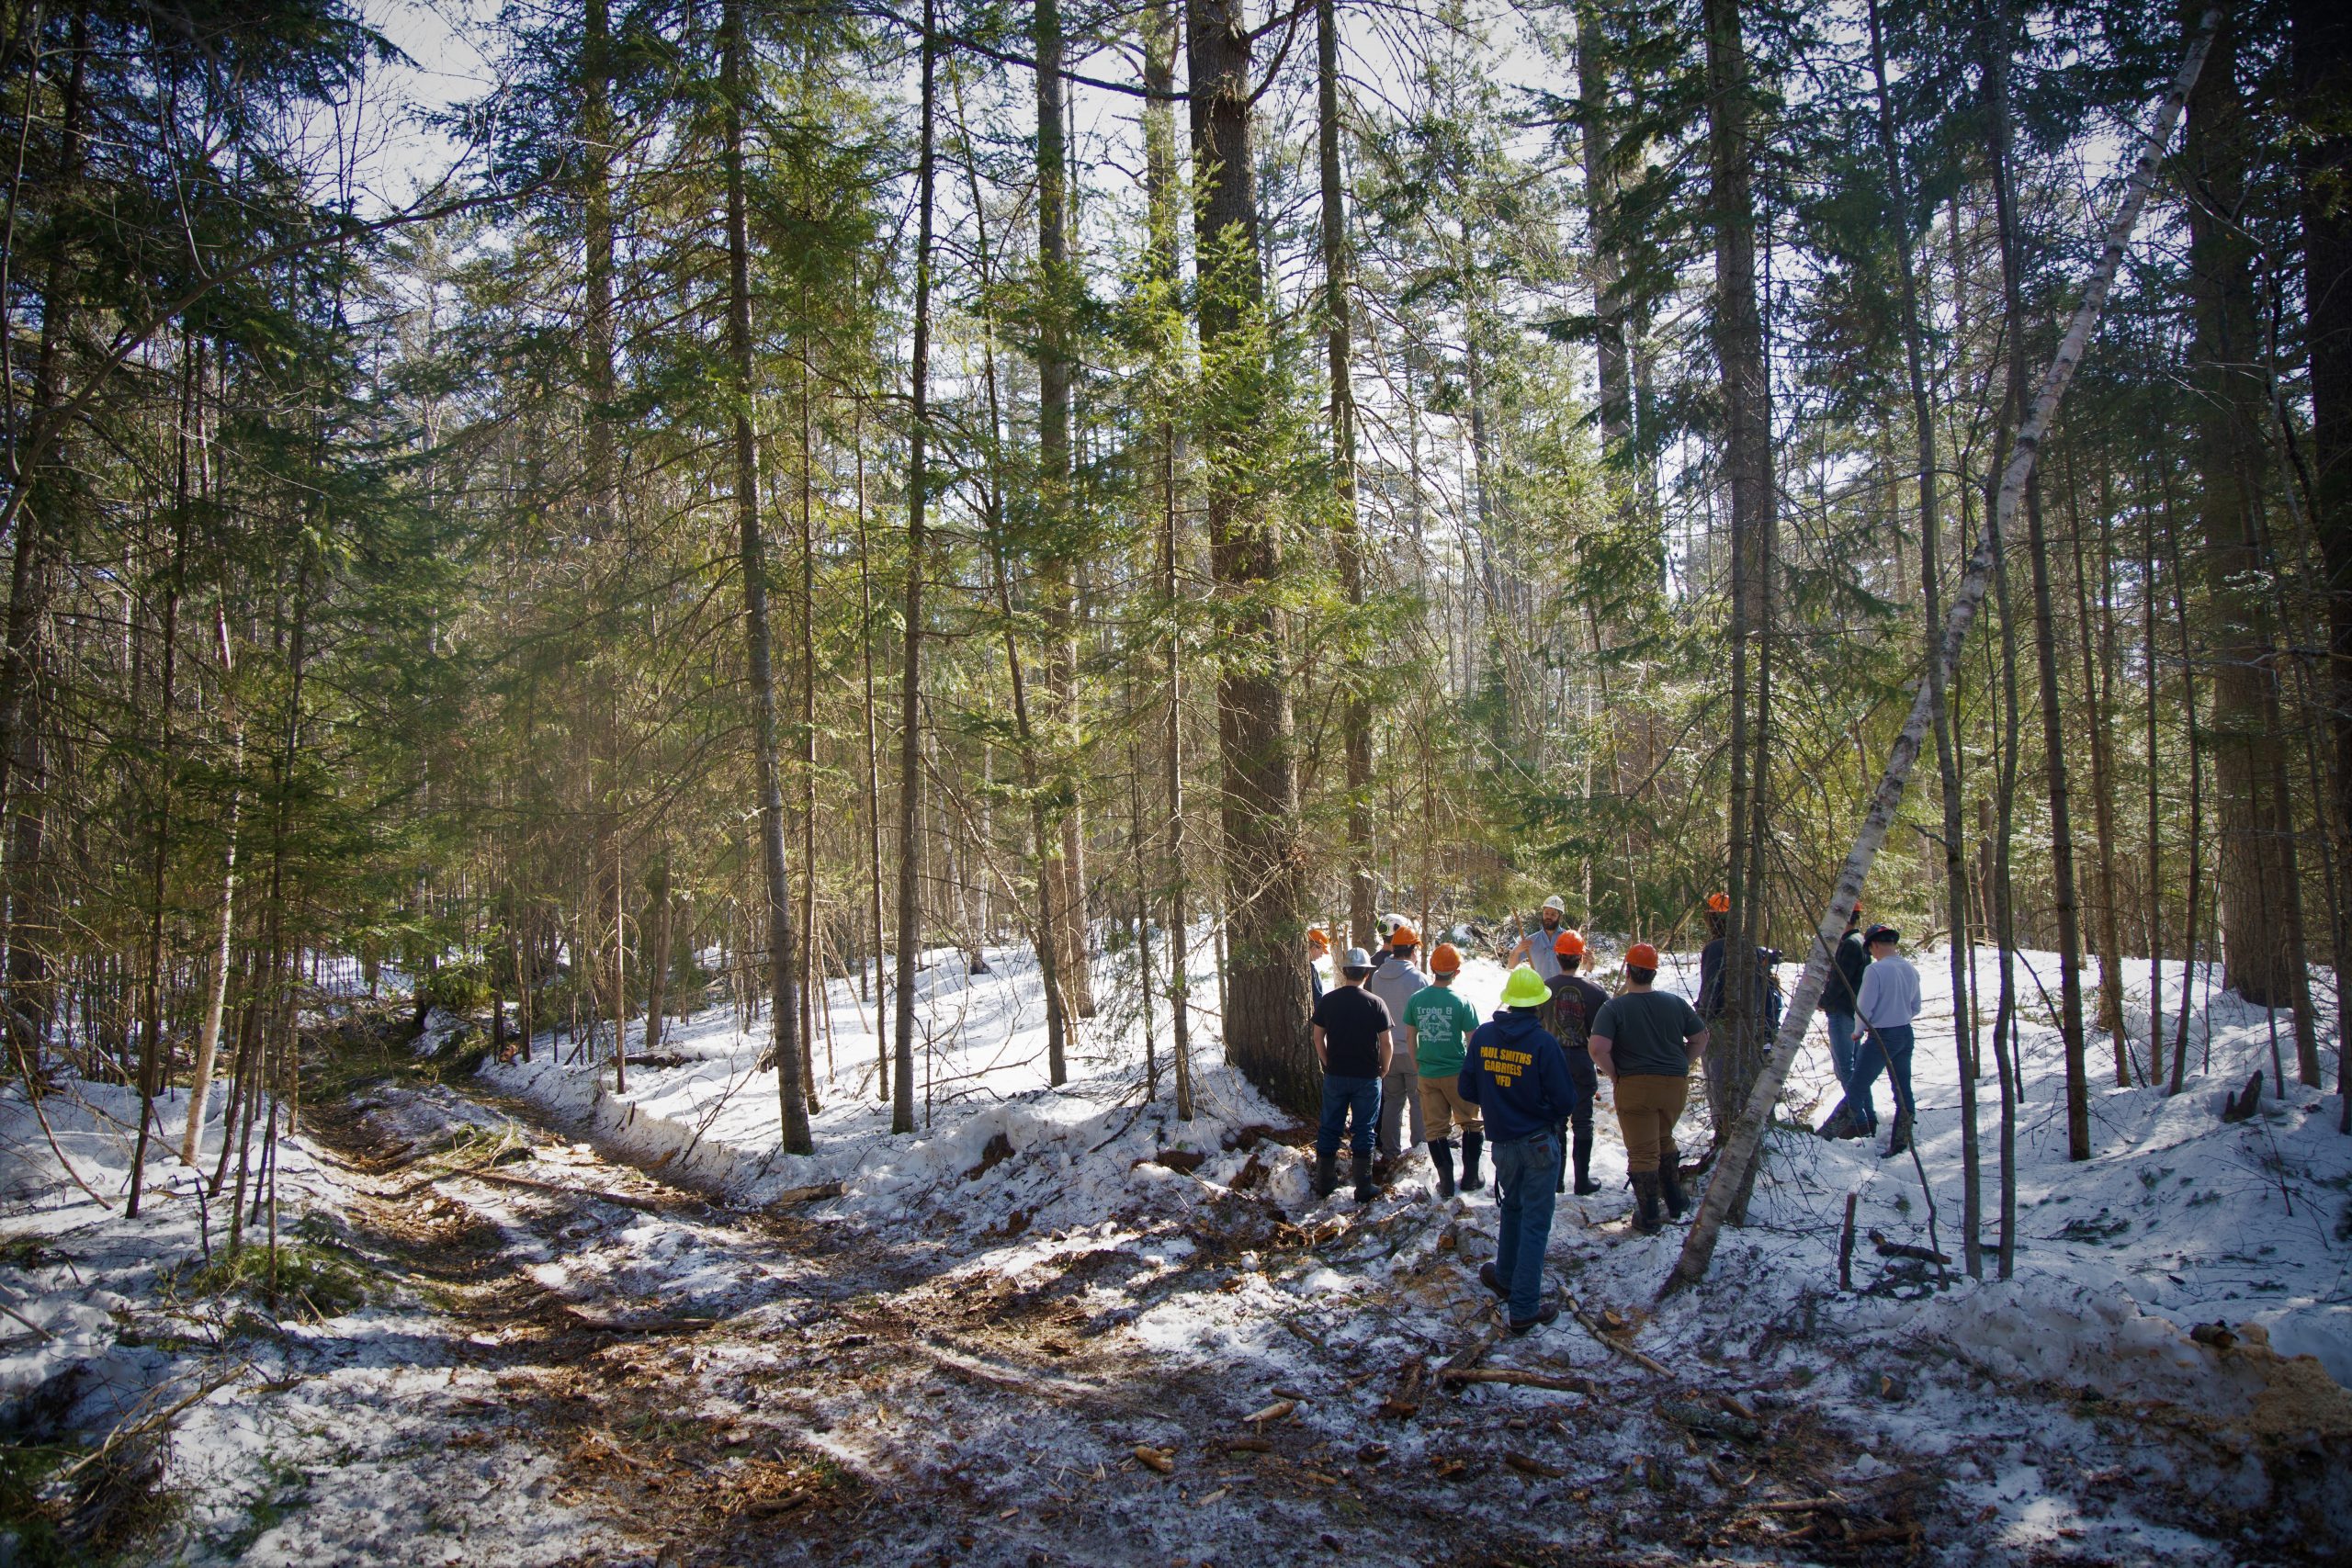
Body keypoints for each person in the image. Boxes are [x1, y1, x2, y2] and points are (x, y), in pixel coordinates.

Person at [1459, 964, 1575, 1334]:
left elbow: (1468, 1090)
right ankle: (1524, 1306)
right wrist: (1536, 1109)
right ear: (1538, 1006)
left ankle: (1506, 1276)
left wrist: (1500, 1101)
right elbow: (1565, 1099)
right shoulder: (1544, 1044)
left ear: (1509, 1002)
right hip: (1538, 1144)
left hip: (1504, 1144)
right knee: (1535, 1223)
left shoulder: (1484, 1037)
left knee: (1512, 1209)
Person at [1589, 942, 1710, 1235]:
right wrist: (1682, 1062)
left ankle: (1650, 1216)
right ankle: (1676, 1200)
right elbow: (1701, 1038)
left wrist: (1616, 1074)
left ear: (1628, 971)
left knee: (1643, 1152)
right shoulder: (1675, 1003)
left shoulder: (1614, 1007)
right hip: (1674, 1087)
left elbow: (1597, 1048)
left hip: (1635, 1086)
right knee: (1664, 1136)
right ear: (1653, 974)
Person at [1403, 942, 1485, 1197]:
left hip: (1428, 1073)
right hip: (1458, 1073)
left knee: (1435, 1130)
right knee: (1471, 1124)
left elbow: (1410, 1038)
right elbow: (1473, 1041)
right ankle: (1471, 1177)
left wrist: (1419, 1067)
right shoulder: (1462, 1002)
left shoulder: (1416, 1000)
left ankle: (1446, 1182)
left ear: (1432, 968)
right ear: (1456, 972)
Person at [1311, 947, 1391, 1202]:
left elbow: (1317, 1036)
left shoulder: (1329, 1001)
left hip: (1336, 1074)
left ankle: (1324, 1182)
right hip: (1367, 1077)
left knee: (1329, 1127)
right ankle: (1364, 1187)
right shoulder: (1376, 1003)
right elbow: (1387, 1043)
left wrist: (1326, 1061)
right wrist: (1384, 1067)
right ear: (1366, 974)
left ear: (1344, 971)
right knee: (1365, 1130)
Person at [1851, 923, 1924, 1158]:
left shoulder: (1875, 971)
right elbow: (1916, 1007)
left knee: (1858, 1085)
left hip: (1882, 1035)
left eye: (1870, 949)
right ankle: (1902, 1141)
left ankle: (1829, 1135)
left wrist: (1858, 1030)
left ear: (1874, 945)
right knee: (1903, 1090)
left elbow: (1864, 1006)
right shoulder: (1910, 969)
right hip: (1905, 1033)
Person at [1547, 930, 1608, 1196]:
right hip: (1583, 1059)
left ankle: (1556, 1180)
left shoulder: (1544, 989)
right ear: (1581, 957)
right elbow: (1607, 1032)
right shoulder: (1596, 992)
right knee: (1583, 1121)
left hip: (1553, 1062)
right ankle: (1581, 1181)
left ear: (1557, 955)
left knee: (1556, 1121)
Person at [1366, 924, 1429, 1172]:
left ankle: (1390, 1151)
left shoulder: (1379, 975)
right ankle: (1418, 1151)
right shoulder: (1419, 979)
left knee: (1392, 1101)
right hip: (1413, 1052)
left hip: (1387, 1050)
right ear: (1413, 950)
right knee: (1418, 1101)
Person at [1816, 903, 1871, 1140]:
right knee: (1855, 1068)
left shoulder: (1850, 944)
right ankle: (1867, 1117)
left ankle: (1857, 1119)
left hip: (1844, 1011)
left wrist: (1824, 1000)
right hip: (1855, 1012)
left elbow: (1841, 980)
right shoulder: (1859, 941)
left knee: (1845, 1068)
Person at [1510, 895, 1569, 981]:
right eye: (1546, 913)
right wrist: (1517, 951)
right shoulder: (1531, 940)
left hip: (1563, 991)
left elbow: (1585, 965)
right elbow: (1511, 965)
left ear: (1560, 918)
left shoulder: (1569, 938)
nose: (1549, 917)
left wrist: (1589, 963)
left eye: (1553, 914)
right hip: (1541, 992)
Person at [1306, 927, 1331, 1002]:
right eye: (1321, 952)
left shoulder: (1310, 967)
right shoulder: (1310, 969)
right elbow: (1318, 998)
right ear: (1314, 948)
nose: (1321, 956)